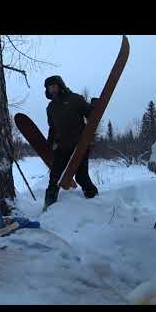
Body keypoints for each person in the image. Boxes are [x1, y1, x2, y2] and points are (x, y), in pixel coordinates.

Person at [43, 75, 99, 210]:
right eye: (49, 87)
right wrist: (50, 143)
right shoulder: (50, 107)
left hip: (79, 145)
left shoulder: (75, 99)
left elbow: (90, 115)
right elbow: (52, 128)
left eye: (54, 86)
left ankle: (96, 201)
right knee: (54, 178)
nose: (52, 89)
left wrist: (95, 106)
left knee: (81, 177)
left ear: (60, 85)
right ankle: (47, 209)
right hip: (61, 147)